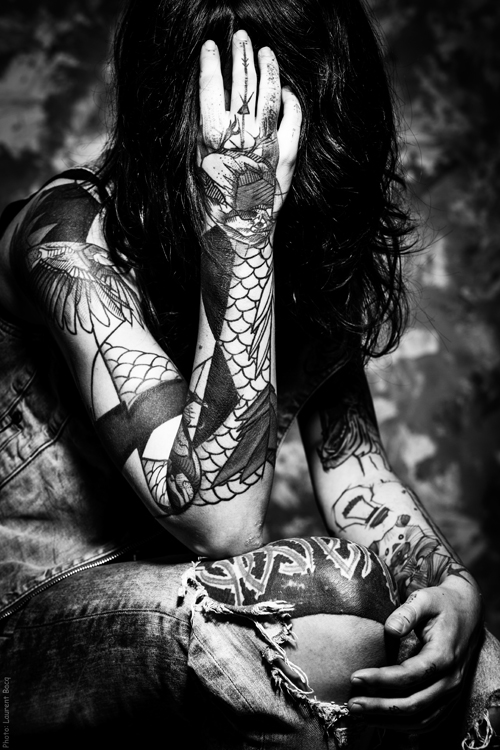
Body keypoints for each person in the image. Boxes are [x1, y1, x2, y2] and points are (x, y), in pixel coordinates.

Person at [0, 0, 498, 748]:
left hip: (179, 590)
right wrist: (241, 224)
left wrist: (455, 592)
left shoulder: (306, 253)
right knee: (330, 616)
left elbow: (358, 477)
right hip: (27, 613)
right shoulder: (68, 235)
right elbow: (222, 525)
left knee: (479, 669)